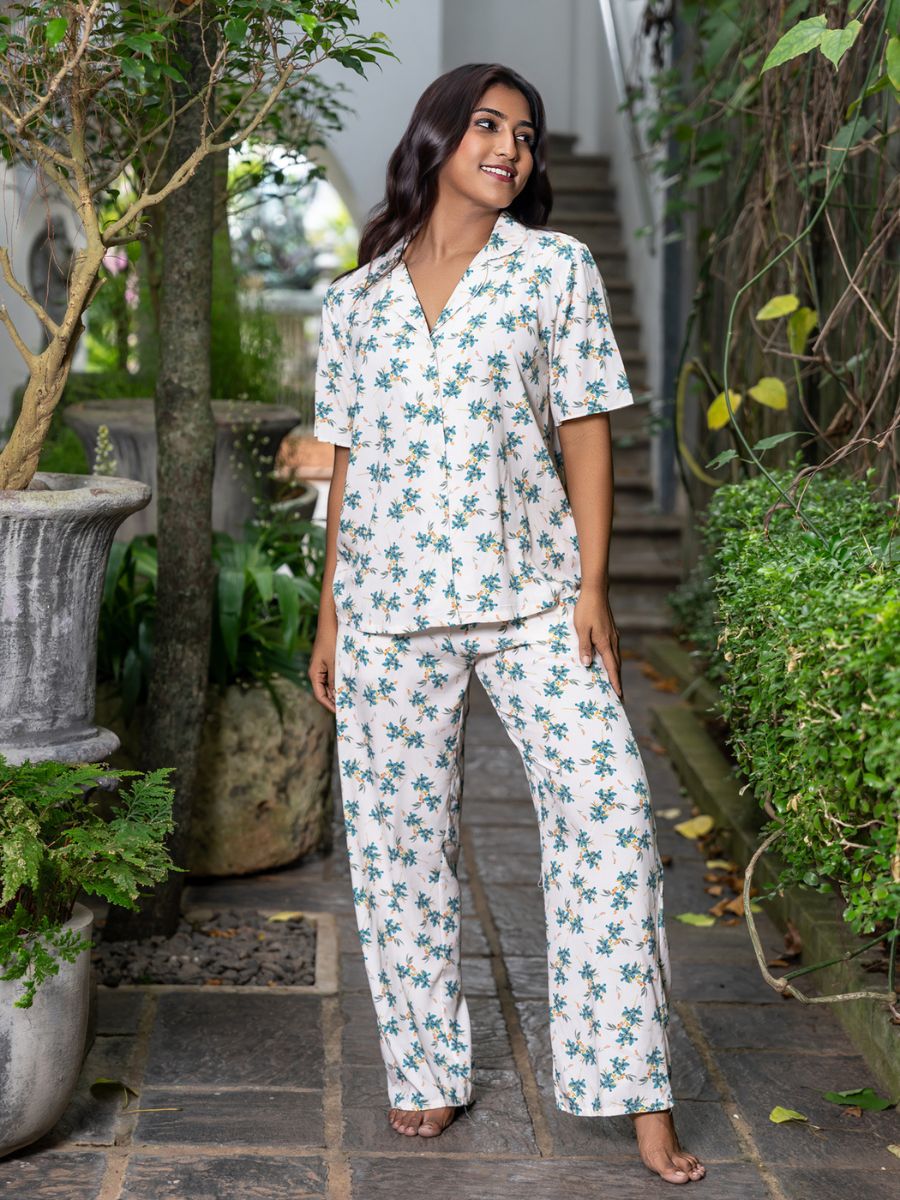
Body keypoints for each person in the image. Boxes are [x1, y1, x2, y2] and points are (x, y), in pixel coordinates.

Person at [308, 62, 706, 1186]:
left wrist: (594, 585)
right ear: (437, 137)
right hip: (387, 605)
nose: (511, 150)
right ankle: (427, 1066)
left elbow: (585, 428)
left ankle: (636, 1093)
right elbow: (347, 469)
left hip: (535, 595)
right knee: (396, 847)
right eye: (489, 126)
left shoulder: (554, 269)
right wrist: (330, 612)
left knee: (610, 814)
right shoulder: (356, 301)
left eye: (525, 136)